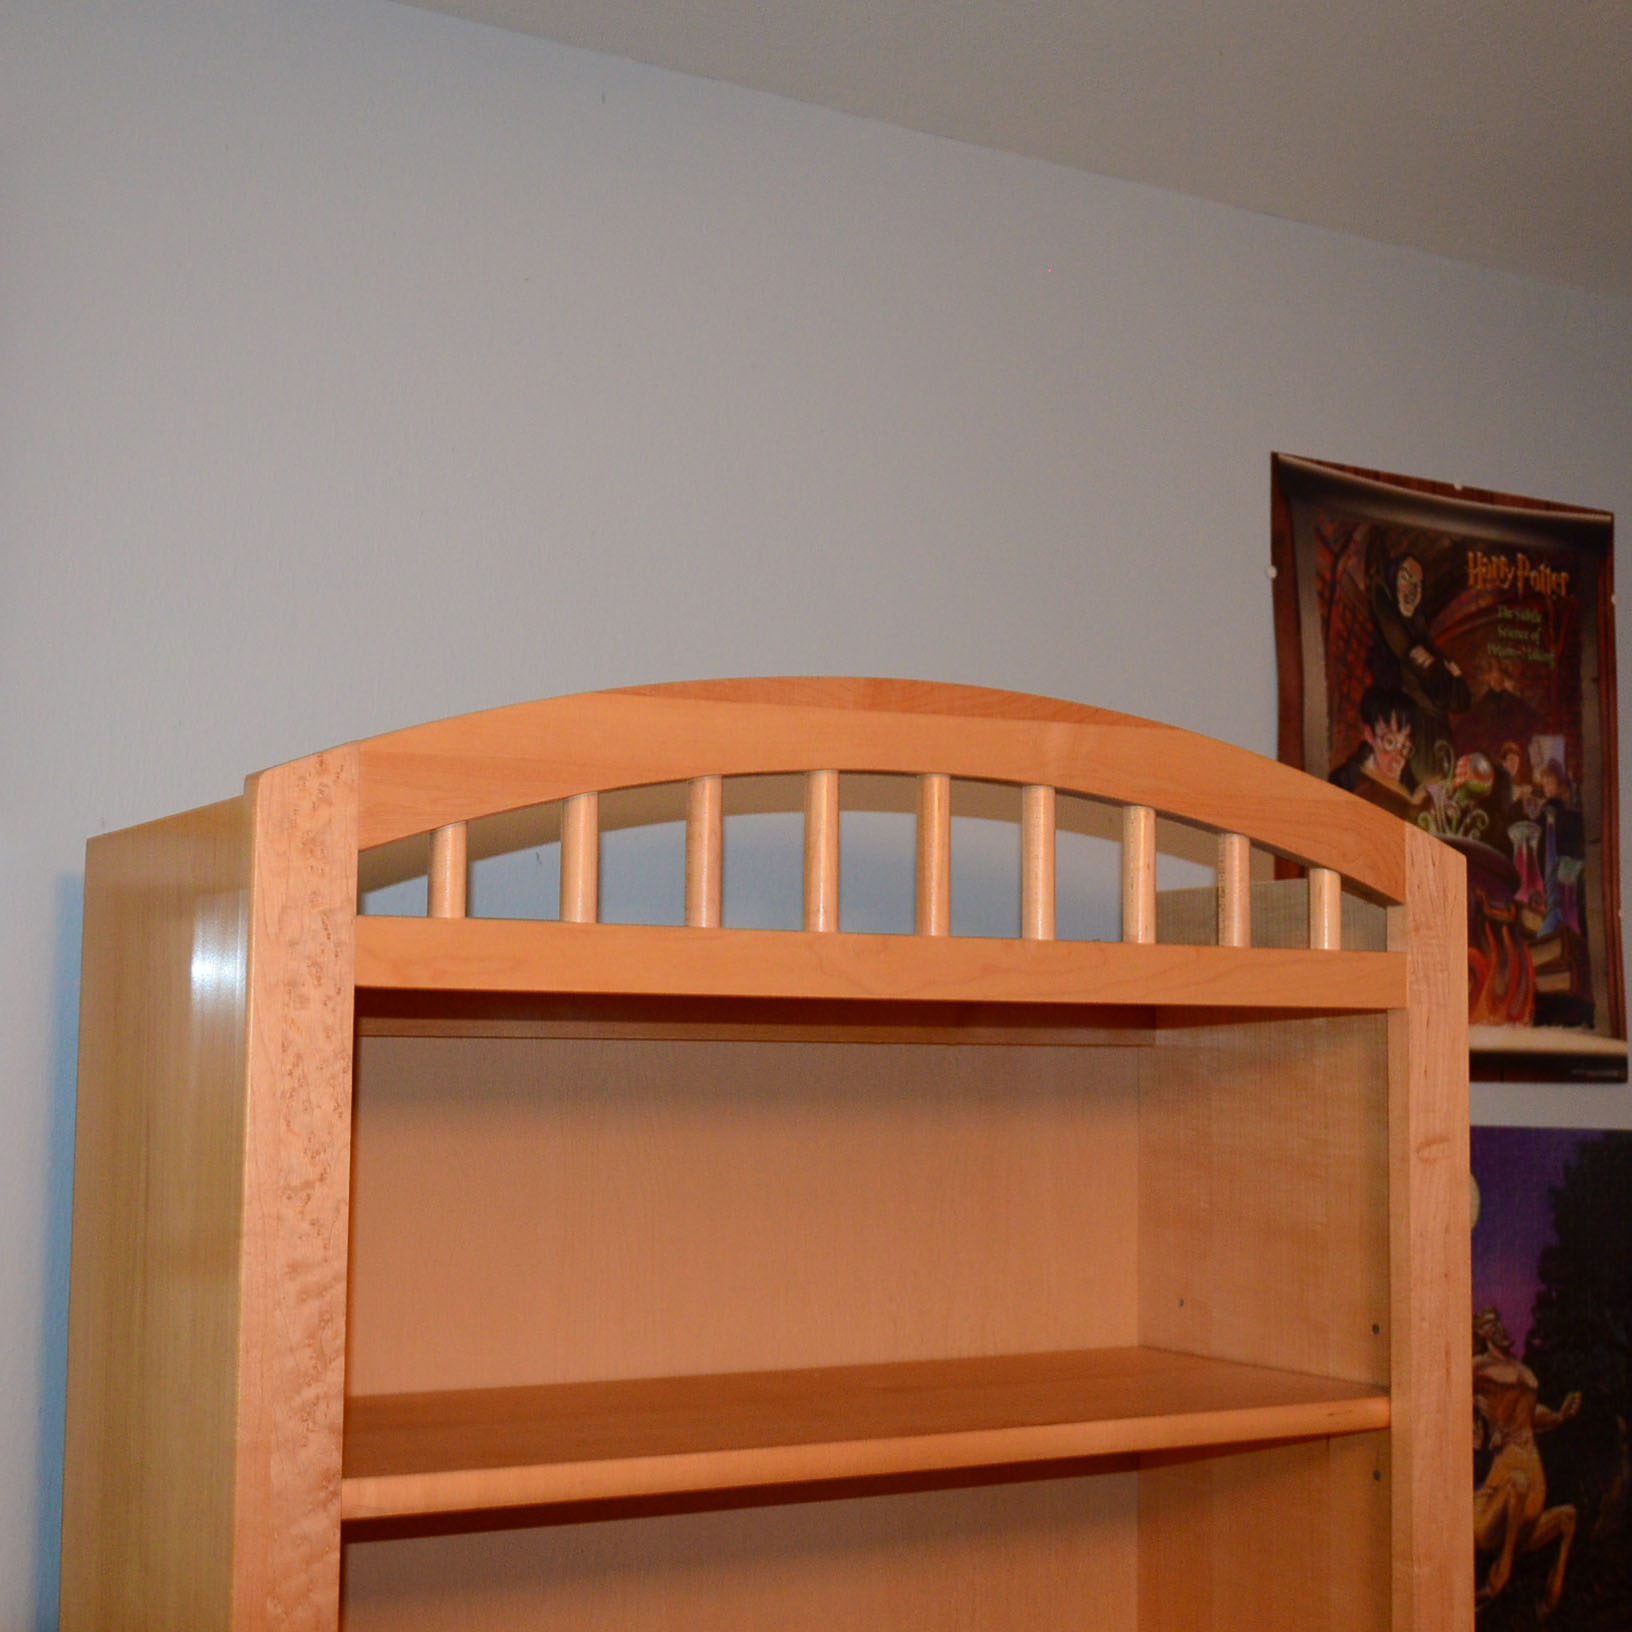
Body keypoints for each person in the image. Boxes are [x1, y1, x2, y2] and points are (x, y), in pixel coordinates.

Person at [1472, 1307, 1580, 1613]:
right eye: (1489, 1324)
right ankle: (1501, 1572)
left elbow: (1530, 1416)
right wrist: (1480, 1422)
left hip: (1531, 1482)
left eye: (1498, 1321)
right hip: (1497, 1499)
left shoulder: (1521, 1370)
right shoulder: (1478, 1367)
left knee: (1567, 1517)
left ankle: (1552, 1590)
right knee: (1517, 1483)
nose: (1499, 1328)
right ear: (1481, 1334)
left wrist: (1560, 1416)